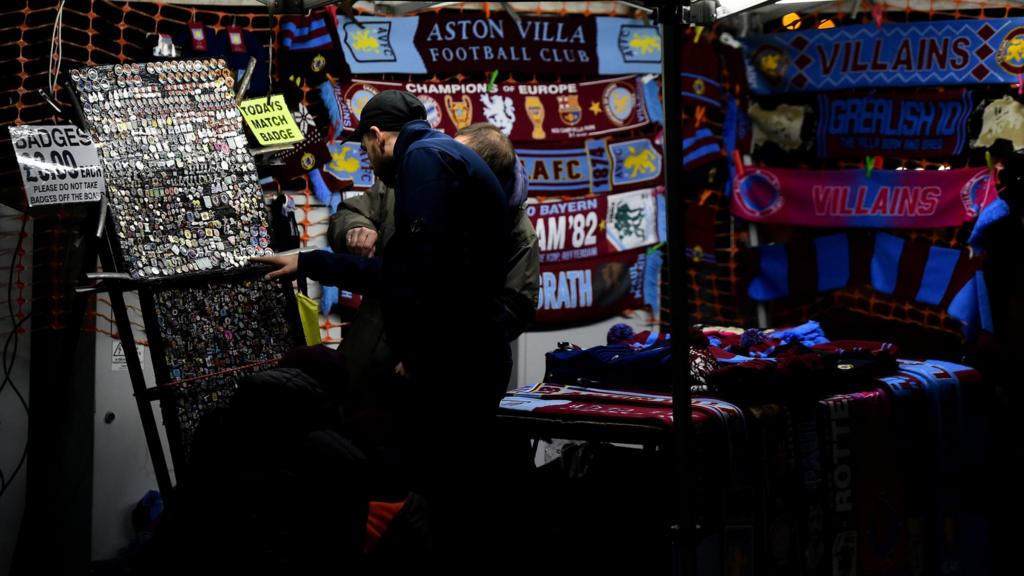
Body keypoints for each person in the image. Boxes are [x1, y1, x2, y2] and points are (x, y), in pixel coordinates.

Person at [251, 90, 514, 570]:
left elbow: (409, 277)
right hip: (464, 356)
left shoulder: (422, 161)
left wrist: (309, 262)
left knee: (439, 504)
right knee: (445, 497)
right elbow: (425, 272)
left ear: (376, 137)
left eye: (365, 149)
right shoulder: (441, 157)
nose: (368, 162)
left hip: (457, 365)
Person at [328, 122, 539, 412]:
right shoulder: (412, 179)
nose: (442, 156)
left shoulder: (517, 233)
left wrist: (433, 354)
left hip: (440, 389)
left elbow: (513, 311)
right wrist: (355, 227)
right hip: (366, 361)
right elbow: (352, 212)